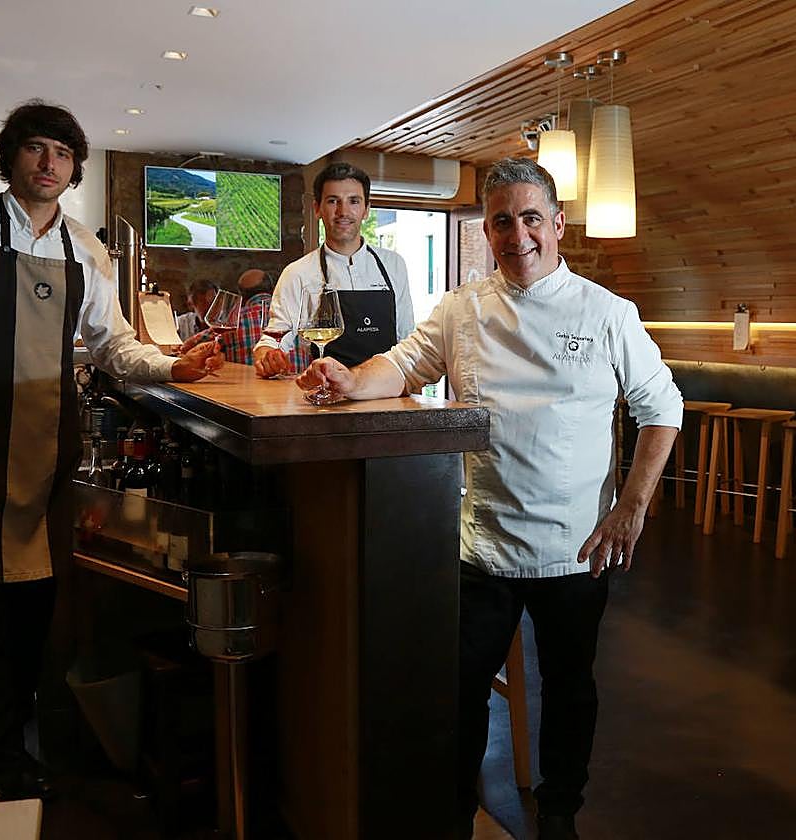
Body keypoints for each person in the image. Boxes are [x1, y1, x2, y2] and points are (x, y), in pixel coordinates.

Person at [296, 158, 683, 840]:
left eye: (531, 218)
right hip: (483, 544)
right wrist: (351, 380)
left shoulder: (607, 312)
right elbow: (403, 365)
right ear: (487, 232)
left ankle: (559, 811)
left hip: (577, 545)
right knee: (459, 690)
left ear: (557, 224)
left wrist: (630, 507)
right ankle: (453, 816)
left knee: (570, 687)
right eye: (502, 221)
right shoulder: (461, 308)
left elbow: (663, 408)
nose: (518, 235)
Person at [0, 99, 221, 805]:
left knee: (37, 612)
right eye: (36, 148)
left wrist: (174, 366)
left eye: (63, 153)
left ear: (75, 169)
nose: (49, 163)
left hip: (53, 450)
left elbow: (113, 345)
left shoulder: (85, 247)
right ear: (10, 157)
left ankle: (24, 752)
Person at [252, 161, 414, 377]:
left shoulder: (394, 264)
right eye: (332, 201)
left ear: (366, 209)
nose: (343, 211)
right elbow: (274, 339)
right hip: (326, 391)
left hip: (387, 389)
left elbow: (406, 338)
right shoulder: (297, 273)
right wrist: (268, 357)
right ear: (317, 208)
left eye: (354, 201)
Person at [182, 268, 312, 368]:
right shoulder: (296, 315)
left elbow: (188, 348)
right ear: (273, 290)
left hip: (250, 388)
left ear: (242, 297)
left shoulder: (233, 320)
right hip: (297, 388)